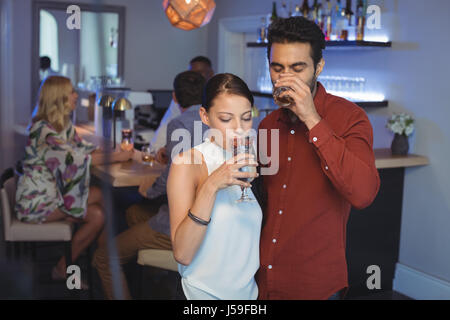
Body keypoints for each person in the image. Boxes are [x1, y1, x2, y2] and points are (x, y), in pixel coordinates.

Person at [255, 17, 381, 300]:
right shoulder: (267, 125)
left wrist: (311, 118)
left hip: (315, 284)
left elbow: (363, 194)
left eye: (298, 68)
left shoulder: (350, 118)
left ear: (319, 67)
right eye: (278, 68)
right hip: (261, 279)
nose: (285, 78)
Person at [92, 71, 208, 299]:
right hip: (207, 222)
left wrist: (148, 190)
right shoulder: (216, 122)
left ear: (175, 97)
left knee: (103, 257)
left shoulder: (179, 123)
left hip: (180, 224)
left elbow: (172, 179)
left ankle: (161, 278)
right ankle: (159, 283)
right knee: (134, 213)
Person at [15, 76, 133, 286]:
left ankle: (81, 263)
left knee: (98, 212)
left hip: (52, 195)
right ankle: (105, 261)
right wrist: (117, 157)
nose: (76, 95)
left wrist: (110, 150)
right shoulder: (42, 130)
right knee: (102, 201)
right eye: (71, 92)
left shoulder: (62, 126)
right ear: (58, 98)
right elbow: (73, 160)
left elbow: (80, 148)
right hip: (36, 203)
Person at [167, 73, 261, 300]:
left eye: (246, 118)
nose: (239, 128)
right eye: (227, 119)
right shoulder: (187, 164)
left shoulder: (249, 159)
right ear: (205, 116)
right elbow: (182, 253)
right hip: (201, 296)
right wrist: (211, 186)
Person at [150, 56, 214, 159]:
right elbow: (158, 143)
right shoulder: (179, 106)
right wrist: (165, 149)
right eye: (191, 74)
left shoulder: (221, 101)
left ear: (211, 73)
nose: (194, 78)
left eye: (199, 73)